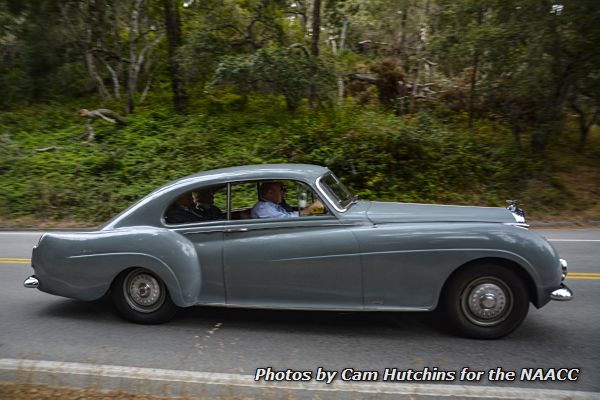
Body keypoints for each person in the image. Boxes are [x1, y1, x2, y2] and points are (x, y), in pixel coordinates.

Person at [251, 181, 324, 219]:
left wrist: (312, 210)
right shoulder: (264, 208)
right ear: (270, 192)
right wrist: (309, 210)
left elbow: (289, 215)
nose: (284, 192)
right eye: (282, 189)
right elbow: (288, 220)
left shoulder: (273, 205)